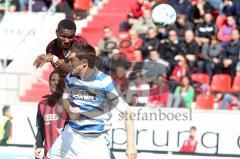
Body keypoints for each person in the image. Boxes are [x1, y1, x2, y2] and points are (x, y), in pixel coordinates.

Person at [47, 43, 137, 159]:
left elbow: (127, 112)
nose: (69, 64)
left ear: (84, 63)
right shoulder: (71, 77)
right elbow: (65, 99)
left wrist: (131, 146)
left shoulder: (104, 81)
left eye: (72, 61)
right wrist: (69, 110)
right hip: (70, 135)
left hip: (94, 142)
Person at [34, 70, 67, 159]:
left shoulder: (69, 103)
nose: (56, 83)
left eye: (59, 81)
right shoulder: (42, 104)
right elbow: (40, 129)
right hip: (48, 155)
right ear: (49, 82)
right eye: (53, 80)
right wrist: (39, 145)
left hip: (66, 154)